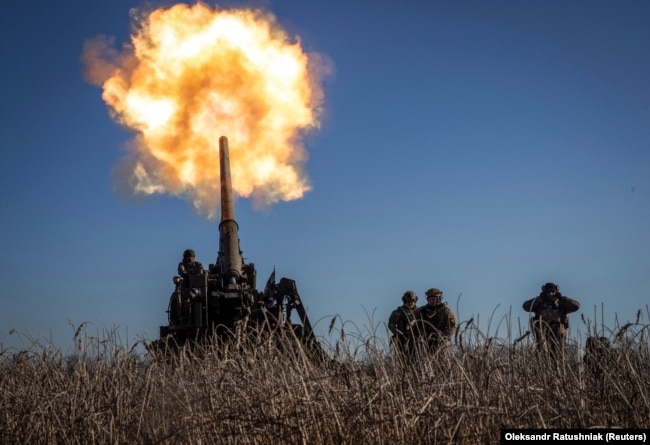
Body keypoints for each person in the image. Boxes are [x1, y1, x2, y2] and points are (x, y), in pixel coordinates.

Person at [522, 282, 580, 357]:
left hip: (558, 335)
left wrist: (564, 299)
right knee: (542, 354)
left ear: (556, 292)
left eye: (552, 292)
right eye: (548, 292)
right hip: (543, 334)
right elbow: (525, 306)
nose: (550, 294)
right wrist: (538, 300)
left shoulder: (561, 303)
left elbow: (576, 306)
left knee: (559, 355)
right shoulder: (540, 303)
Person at [414, 288, 456, 353]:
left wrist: (444, 337)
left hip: (441, 341)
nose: (431, 301)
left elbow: (452, 326)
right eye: (429, 299)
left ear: (438, 299)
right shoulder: (421, 311)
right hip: (425, 341)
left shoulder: (445, 311)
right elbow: (414, 325)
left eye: (433, 299)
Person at [388, 291, 419, 356]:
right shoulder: (398, 312)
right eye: (408, 301)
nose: (410, 303)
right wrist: (400, 334)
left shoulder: (420, 312)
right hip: (402, 340)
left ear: (415, 301)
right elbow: (391, 325)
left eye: (412, 301)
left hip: (417, 340)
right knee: (402, 359)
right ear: (404, 301)